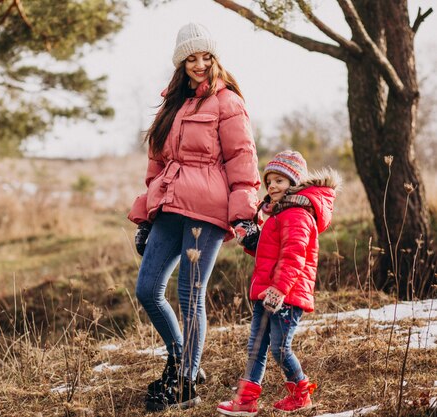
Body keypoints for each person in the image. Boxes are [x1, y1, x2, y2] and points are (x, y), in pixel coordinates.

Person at [128, 22, 261, 411]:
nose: (199, 64)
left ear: (215, 58)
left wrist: (245, 216)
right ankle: (180, 359)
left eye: (206, 56)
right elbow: (157, 165)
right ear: (181, 63)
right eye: (191, 58)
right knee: (147, 289)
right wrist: (147, 217)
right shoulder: (171, 104)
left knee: (189, 294)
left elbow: (243, 162)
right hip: (169, 207)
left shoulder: (228, 102)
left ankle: (187, 379)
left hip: (208, 211)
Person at [217, 150, 341, 416]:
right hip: (266, 291)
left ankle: (301, 393)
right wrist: (251, 241)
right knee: (256, 346)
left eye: (280, 181)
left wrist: (280, 289)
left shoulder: (297, 214)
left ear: (294, 184)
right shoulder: (277, 214)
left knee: (280, 347)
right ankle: (246, 400)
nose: (272, 186)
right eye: (269, 181)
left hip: (286, 294)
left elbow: (294, 256)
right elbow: (271, 252)